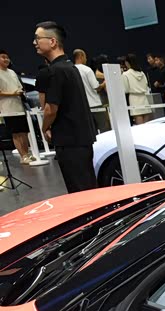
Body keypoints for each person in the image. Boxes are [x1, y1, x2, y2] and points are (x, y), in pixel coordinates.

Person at [33, 21, 97, 192]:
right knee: (87, 186)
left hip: (69, 139)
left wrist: (44, 128)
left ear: (52, 41)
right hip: (80, 137)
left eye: (37, 38)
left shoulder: (56, 71)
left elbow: (50, 109)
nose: (34, 43)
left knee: (79, 189)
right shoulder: (70, 67)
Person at [0, 50, 32, 164]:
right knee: (16, 133)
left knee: (24, 131)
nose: (6, 59)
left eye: (7, 57)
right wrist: (13, 94)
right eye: (3, 57)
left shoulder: (12, 72)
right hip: (7, 108)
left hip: (19, 106)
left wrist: (20, 92)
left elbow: (19, 86)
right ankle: (23, 156)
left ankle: (27, 154)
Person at [73, 49, 107, 133]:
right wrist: (104, 83)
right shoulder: (87, 70)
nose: (86, 59)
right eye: (85, 57)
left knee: (91, 130)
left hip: (82, 106)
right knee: (104, 128)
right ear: (81, 56)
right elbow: (96, 87)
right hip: (95, 104)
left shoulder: (71, 70)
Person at [121, 54, 152, 125]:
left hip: (134, 99)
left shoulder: (125, 74)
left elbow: (125, 89)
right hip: (144, 99)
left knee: (139, 127)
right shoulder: (142, 73)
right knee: (147, 126)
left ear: (127, 62)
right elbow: (146, 85)